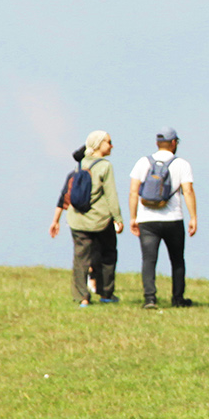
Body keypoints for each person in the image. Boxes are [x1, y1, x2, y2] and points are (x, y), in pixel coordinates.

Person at [49, 131, 122, 305]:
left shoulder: (80, 164)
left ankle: (82, 297)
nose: (111, 145)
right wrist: (118, 218)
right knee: (108, 254)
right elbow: (111, 194)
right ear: (99, 144)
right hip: (100, 219)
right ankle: (105, 294)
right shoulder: (105, 166)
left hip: (77, 220)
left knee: (80, 258)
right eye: (109, 142)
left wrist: (57, 219)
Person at [128, 128, 197, 310]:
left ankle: (150, 299)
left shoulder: (143, 162)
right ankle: (178, 298)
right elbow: (187, 191)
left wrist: (133, 217)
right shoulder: (182, 164)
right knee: (177, 259)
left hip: (147, 219)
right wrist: (193, 217)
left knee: (149, 260)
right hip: (173, 219)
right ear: (174, 143)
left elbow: (133, 191)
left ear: (157, 143)